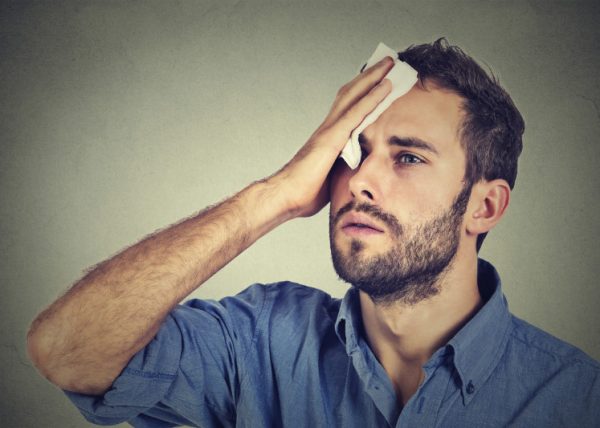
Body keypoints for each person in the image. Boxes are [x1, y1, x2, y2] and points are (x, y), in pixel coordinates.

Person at [27, 39, 599, 427]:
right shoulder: (260, 342)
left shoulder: (577, 399)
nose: (360, 182)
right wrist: (274, 195)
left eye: (408, 158)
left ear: (485, 206)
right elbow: (68, 352)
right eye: (353, 152)